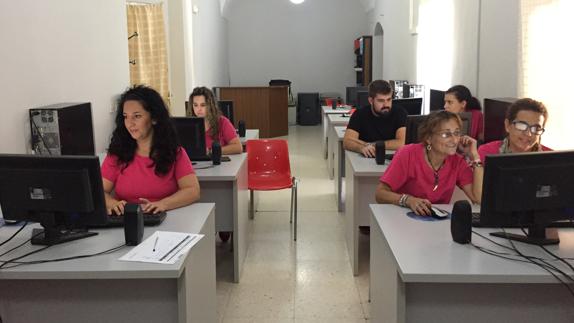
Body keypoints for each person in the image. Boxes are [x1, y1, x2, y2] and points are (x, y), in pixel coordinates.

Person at [102, 85, 200, 216]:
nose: (129, 123)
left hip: (166, 222)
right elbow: (99, 192)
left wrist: (163, 204)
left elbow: (193, 191)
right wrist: (113, 204)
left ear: (154, 118)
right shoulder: (117, 154)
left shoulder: (175, 153)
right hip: (126, 223)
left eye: (136, 116)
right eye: (126, 116)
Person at [375, 111, 483, 215]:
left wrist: (475, 157)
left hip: (435, 221)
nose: (455, 140)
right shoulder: (407, 154)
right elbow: (380, 194)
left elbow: (478, 199)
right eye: (446, 134)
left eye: (457, 133)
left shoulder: (457, 161)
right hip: (401, 217)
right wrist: (408, 200)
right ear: (428, 138)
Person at [343, 80, 407, 157]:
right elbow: (347, 141)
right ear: (371, 100)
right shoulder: (359, 114)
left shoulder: (400, 113)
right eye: (381, 101)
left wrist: (373, 145)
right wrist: (361, 147)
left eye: (389, 99)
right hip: (366, 159)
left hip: (392, 160)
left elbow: (401, 143)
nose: (386, 104)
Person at [478, 98, 550, 162]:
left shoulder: (551, 158)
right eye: (522, 125)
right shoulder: (487, 152)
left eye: (535, 128)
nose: (528, 134)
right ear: (507, 125)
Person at [189, 87, 242, 155]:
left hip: (219, 164)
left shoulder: (223, 122)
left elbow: (238, 147)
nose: (199, 109)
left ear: (210, 106)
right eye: (195, 105)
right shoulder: (188, 125)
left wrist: (211, 151)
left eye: (203, 105)